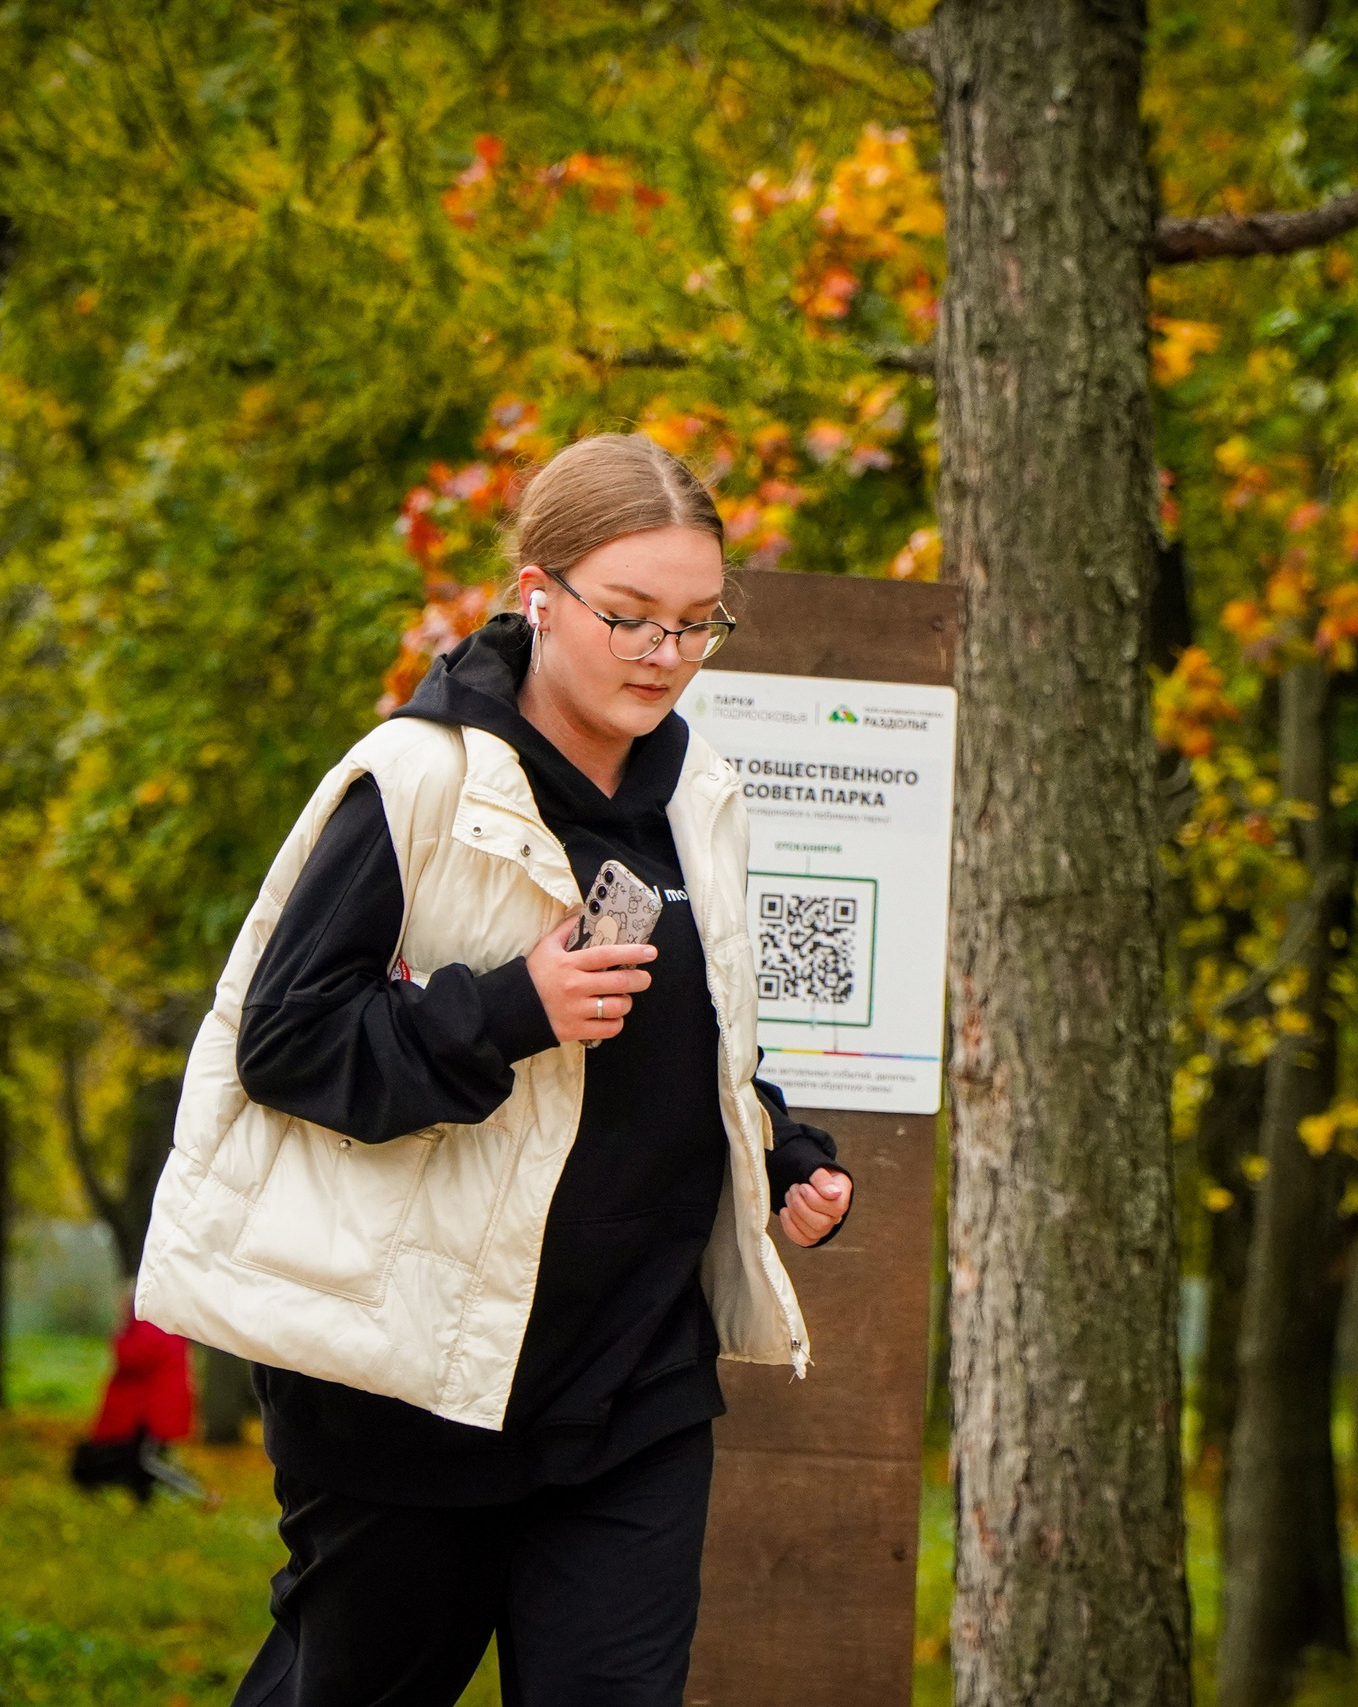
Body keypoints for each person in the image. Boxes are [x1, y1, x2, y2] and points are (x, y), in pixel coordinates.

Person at [133, 432, 854, 1707]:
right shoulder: (415, 781)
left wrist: (782, 1148)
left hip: (634, 1388)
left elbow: (706, 1040)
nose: (664, 654)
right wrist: (509, 1009)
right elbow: (284, 1043)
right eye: (630, 617)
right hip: (409, 1384)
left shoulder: (704, 799)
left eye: (696, 623)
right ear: (538, 594)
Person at [69, 1309, 211, 1505]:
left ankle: (199, 1495)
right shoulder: (165, 1321)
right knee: (152, 1460)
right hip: (160, 1406)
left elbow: (130, 1356)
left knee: (150, 1461)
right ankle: (155, 1500)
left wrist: (119, 1334)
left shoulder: (149, 1324)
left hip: (156, 1410)